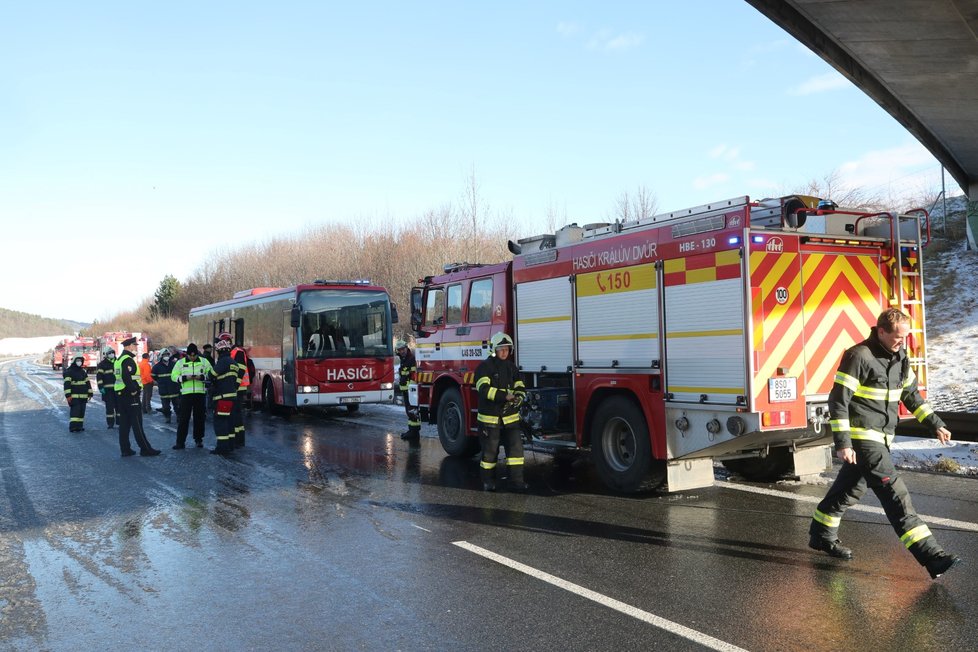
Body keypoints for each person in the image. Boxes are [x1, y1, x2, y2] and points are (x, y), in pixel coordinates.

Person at [808, 308, 960, 579]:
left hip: (883, 437)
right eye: (897, 337)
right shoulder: (858, 356)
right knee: (895, 495)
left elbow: (911, 395)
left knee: (849, 490)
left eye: (906, 337)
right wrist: (844, 443)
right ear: (881, 332)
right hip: (864, 438)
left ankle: (821, 535)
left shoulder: (900, 356)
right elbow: (838, 401)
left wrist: (935, 423)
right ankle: (932, 556)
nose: (903, 342)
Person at [474, 332, 527, 492]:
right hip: (490, 419)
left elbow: (520, 386)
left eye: (506, 349)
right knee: (490, 452)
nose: (504, 352)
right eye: (501, 349)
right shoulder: (485, 367)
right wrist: (504, 396)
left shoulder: (512, 368)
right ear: (494, 350)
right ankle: (488, 481)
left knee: (516, 450)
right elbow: (483, 389)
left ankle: (517, 482)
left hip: (510, 418)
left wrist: (519, 397)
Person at [114, 337, 161, 457]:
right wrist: (134, 390)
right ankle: (145, 449)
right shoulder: (128, 360)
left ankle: (125, 449)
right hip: (130, 396)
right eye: (135, 345)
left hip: (121, 395)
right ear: (129, 346)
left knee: (124, 424)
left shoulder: (119, 359)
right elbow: (126, 377)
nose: (136, 347)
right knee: (137, 424)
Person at [171, 342, 213, 449]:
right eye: (190, 356)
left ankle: (198, 440)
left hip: (200, 394)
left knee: (199, 418)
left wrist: (202, 377)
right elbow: (173, 376)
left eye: (194, 356)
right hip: (186, 395)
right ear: (187, 355)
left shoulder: (204, 361)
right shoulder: (180, 363)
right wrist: (184, 378)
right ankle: (180, 442)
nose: (193, 357)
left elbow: (211, 374)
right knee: (183, 419)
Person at [209, 337, 240, 455]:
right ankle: (230, 445)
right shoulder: (234, 363)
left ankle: (222, 448)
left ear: (220, 351)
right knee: (229, 421)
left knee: (220, 422)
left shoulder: (223, 362)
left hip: (222, 397)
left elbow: (212, 374)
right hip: (232, 397)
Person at [395, 340, 421, 444]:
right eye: (400, 350)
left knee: (412, 411)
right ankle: (412, 430)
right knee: (409, 411)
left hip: (411, 390)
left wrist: (412, 388)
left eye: (403, 349)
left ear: (406, 348)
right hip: (406, 390)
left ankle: (414, 432)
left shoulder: (411, 359)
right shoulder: (403, 359)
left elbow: (414, 375)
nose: (402, 351)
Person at [229, 335, 251, 448]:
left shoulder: (237, 352)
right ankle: (238, 439)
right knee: (235, 413)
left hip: (238, 387)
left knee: (236, 413)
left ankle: (239, 439)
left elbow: (241, 369)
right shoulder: (233, 352)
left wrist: (235, 384)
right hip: (237, 387)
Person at [63, 355, 93, 432]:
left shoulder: (83, 372)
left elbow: (87, 383)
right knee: (75, 412)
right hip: (74, 396)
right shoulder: (69, 372)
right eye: (78, 360)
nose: (79, 362)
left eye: (80, 361)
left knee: (81, 412)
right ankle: (73, 427)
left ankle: (79, 426)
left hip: (83, 396)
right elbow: (67, 384)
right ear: (74, 361)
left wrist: (90, 393)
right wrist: (68, 395)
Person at [152, 349, 179, 423]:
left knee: (177, 405)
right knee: (166, 407)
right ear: (161, 356)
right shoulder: (156, 367)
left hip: (174, 388)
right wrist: (161, 382)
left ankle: (179, 417)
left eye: (167, 355)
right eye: (164, 355)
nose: (166, 356)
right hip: (164, 390)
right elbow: (153, 376)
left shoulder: (174, 365)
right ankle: (167, 417)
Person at [95, 347, 118, 428]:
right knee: (110, 408)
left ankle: (120, 422)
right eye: (110, 353)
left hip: (118, 389)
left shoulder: (118, 362)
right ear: (106, 355)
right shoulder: (102, 365)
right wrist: (101, 387)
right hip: (108, 391)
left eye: (112, 352)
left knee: (119, 407)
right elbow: (99, 377)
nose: (112, 354)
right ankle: (110, 423)